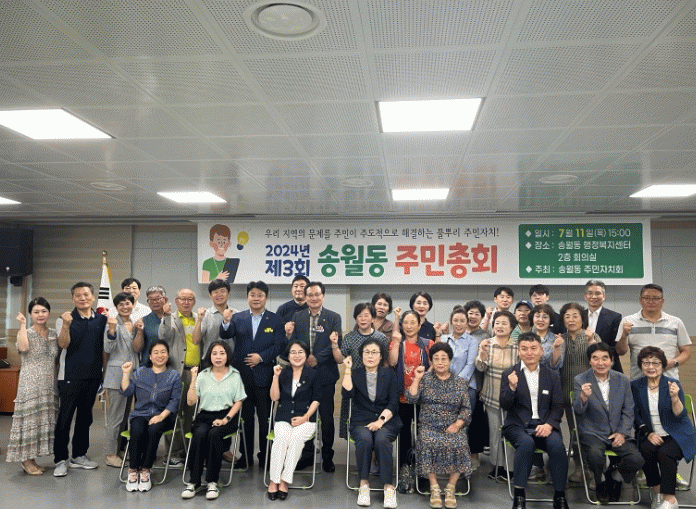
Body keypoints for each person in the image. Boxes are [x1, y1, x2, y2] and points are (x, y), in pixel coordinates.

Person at [219, 280, 286, 469]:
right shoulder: (238, 317)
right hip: (242, 378)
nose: (256, 298)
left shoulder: (275, 320)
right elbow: (225, 335)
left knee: (265, 421)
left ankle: (266, 456)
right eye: (252, 295)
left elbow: (280, 345)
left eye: (260, 295)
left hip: (265, 377)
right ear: (247, 297)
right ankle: (245, 457)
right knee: (245, 420)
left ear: (266, 297)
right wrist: (226, 321)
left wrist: (261, 357)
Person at [500, 332, 568, 509]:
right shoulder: (509, 373)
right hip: (517, 425)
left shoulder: (551, 375)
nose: (529, 352)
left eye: (533, 348)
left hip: (545, 425)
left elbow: (558, 405)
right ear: (518, 351)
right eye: (524, 349)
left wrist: (549, 425)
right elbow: (504, 405)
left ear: (541, 350)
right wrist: (511, 388)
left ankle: (560, 496)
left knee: (557, 446)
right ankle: (519, 495)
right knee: (526, 444)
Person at [573, 343, 644, 504]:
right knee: (595, 455)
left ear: (611, 360)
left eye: (605, 358)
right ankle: (600, 482)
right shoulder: (580, 380)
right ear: (590, 361)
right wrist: (583, 397)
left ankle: (616, 476)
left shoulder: (623, 380)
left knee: (636, 459)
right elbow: (578, 411)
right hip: (592, 432)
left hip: (617, 431)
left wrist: (622, 432)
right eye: (595, 358)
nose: (600, 363)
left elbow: (628, 409)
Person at [407, 343, 472, 509]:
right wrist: (417, 378)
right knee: (426, 441)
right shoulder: (425, 379)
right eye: (436, 359)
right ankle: (434, 487)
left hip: (452, 425)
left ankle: (450, 488)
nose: (440, 362)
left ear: (450, 360)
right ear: (431, 361)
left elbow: (466, 409)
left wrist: (457, 424)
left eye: (444, 358)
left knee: (460, 442)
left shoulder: (459, 382)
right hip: (429, 426)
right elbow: (411, 399)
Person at [287, 281, 342, 472]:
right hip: (304, 376)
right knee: (306, 417)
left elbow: (336, 343)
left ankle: (327, 457)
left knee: (326, 418)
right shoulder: (298, 316)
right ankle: (307, 455)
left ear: (323, 296)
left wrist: (316, 358)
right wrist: (302, 357)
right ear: (305, 297)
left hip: (325, 375)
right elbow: (294, 343)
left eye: (317, 294)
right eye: (310, 295)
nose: (313, 298)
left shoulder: (333, 317)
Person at [53, 282, 107, 477]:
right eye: (78, 295)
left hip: (92, 377)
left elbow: (104, 348)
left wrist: (103, 375)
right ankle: (60, 459)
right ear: (73, 299)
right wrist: (66, 325)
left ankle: (79, 455)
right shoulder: (64, 319)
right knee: (65, 419)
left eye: (86, 294)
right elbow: (63, 344)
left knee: (85, 418)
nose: (82, 298)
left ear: (92, 297)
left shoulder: (101, 319)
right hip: (69, 377)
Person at [632, 346, 696, 509]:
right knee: (645, 450)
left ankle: (670, 499)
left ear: (663, 365)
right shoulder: (636, 386)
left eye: (656, 363)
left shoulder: (673, 384)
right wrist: (648, 433)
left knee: (665, 452)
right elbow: (635, 414)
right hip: (650, 432)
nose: (651, 367)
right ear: (640, 365)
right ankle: (657, 491)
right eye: (646, 363)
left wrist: (675, 398)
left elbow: (680, 415)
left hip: (676, 433)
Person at [182, 341, 246, 500]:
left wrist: (226, 419)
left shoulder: (235, 375)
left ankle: (212, 481)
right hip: (205, 415)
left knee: (214, 435)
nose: (218, 357)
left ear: (227, 356)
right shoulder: (203, 375)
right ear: (209, 356)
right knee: (199, 434)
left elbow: (238, 401)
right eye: (214, 353)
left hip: (227, 415)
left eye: (222, 353)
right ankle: (194, 481)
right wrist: (193, 379)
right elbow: (190, 402)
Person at [343, 339, 402, 509]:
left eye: (374, 352)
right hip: (361, 420)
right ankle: (364, 484)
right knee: (364, 438)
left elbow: (393, 403)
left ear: (381, 355)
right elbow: (347, 394)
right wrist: (347, 370)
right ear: (361, 356)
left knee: (382, 439)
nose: (370, 356)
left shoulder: (389, 374)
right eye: (366, 352)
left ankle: (388, 487)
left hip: (386, 420)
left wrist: (380, 421)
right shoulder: (355, 373)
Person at [119, 340, 182, 492]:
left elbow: (174, 401)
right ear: (150, 356)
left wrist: (161, 416)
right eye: (156, 352)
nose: (160, 355)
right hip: (141, 414)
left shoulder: (174, 375)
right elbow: (126, 392)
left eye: (163, 352)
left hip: (164, 416)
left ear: (168, 355)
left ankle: (146, 469)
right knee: (137, 429)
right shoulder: (140, 372)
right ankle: (133, 470)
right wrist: (126, 374)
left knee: (153, 430)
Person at [6, 298, 58, 475]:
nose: (40, 315)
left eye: (43, 311)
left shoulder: (53, 333)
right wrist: (22, 325)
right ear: (30, 314)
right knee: (29, 421)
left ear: (48, 312)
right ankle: (25, 460)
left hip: (49, 382)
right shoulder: (26, 332)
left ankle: (32, 458)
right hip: (30, 382)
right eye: (36, 312)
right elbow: (23, 348)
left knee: (40, 421)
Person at [267, 340, 321, 500]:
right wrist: (275, 377)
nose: (297, 356)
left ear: (306, 355)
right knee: (281, 439)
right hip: (283, 417)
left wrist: (305, 417)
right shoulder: (283, 373)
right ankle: (274, 480)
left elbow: (316, 399)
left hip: (306, 419)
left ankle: (284, 480)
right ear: (288, 356)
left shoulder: (314, 374)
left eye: (300, 352)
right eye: (293, 352)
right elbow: (274, 398)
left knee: (296, 439)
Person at [554, 302, 599, 483]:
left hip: (588, 393)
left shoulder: (591, 335)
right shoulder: (560, 338)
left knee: (589, 432)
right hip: (566, 392)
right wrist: (556, 347)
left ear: (582, 318)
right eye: (567, 316)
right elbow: (554, 364)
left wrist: (591, 341)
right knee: (574, 432)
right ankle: (580, 468)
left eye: (575, 316)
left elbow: (601, 361)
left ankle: (594, 469)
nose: (571, 320)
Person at [616, 284, 691, 381]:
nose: (651, 301)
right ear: (640, 300)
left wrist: (672, 363)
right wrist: (624, 336)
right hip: (638, 380)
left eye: (655, 298)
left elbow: (686, 351)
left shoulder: (676, 322)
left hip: (669, 381)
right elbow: (620, 351)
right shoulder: (628, 321)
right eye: (647, 298)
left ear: (662, 301)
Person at [475, 310, 518, 481]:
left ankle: (510, 467)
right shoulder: (487, 344)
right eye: (497, 323)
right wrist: (483, 352)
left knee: (510, 432)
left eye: (504, 323)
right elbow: (480, 368)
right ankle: (497, 466)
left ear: (511, 327)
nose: (500, 326)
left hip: (512, 397)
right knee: (494, 433)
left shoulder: (517, 346)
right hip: (492, 396)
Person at [337, 303, 388, 440]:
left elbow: (385, 361)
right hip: (354, 384)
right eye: (360, 316)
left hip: (376, 383)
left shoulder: (381, 337)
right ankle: (360, 442)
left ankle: (374, 446)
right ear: (356, 318)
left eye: (366, 315)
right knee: (354, 417)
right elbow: (341, 358)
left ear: (373, 318)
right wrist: (334, 346)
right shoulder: (349, 337)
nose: (363, 319)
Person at [103, 292, 143, 468]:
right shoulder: (112, 323)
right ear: (116, 307)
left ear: (133, 305)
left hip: (133, 373)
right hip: (117, 374)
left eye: (128, 303)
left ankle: (118, 450)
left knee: (125, 416)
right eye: (121, 304)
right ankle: (110, 454)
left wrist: (139, 330)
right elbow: (107, 348)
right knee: (115, 417)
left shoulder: (135, 324)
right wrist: (111, 330)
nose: (125, 307)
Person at [389, 310, 433, 468]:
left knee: (424, 433)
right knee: (404, 432)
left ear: (419, 325)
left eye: (413, 322)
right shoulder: (397, 342)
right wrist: (395, 343)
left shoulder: (428, 344)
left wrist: (424, 376)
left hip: (423, 397)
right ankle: (405, 467)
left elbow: (434, 365)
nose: (409, 326)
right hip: (402, 396)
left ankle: (423, 467)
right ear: (401, 325)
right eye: (406, 323)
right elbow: (392, 362)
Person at [159, 288, 198, 465]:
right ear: (176, 301)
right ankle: (172, 454)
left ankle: (188, 451)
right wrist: (166, 316)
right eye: (183, 299)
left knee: (192, 415)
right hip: (176, 372)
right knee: (173, 413)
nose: (186, 302)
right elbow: (163, 336)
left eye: (190, 299)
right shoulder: (171, 318)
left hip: (196, 372)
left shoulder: (198, 318)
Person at [440, 307, 478, 469]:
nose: (459, 324)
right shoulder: (444, 339)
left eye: (462, 321)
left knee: (462, 425)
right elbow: (439, 362)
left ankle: (461, 461)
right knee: (446, 423)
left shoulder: (472, 341)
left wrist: (455, 384)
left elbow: (470, 365)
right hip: (444, 387)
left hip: (467, 388)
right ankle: (446, 459)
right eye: (455, 320)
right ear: (451, 322)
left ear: (467, 323)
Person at [193, 279, 240, 359]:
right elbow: (195, 341)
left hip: (232, 361)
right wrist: (199, 320)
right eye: (215, 292)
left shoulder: (237, 314)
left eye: (222, 291)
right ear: (210, 295)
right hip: (210, 361)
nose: (219, 295)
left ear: (228, 293)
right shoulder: (205, 315)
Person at [584, 280, 623, 373]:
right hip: (584, 366)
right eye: (590, 293)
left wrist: (596, 346)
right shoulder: (579, 317)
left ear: (604, 296)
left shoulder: (615, 317)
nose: (594, 297)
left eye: (598, 293)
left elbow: (615, 347)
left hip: (608, 367)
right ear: (585, 296)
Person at [135, 285, 168, 365]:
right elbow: (137, 349)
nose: (154, 302)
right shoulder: (143, 321)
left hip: (170, 365)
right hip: (149, 365)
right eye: (151, 299)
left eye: (157, 299)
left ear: (165, 299)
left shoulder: (173, 319)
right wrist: (139, 332)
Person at [530, 303, 563, 370]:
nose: (540, 320)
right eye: (537, 316)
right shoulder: (525, 338)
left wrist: (556, 348)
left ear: (550, 320)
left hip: (549, 375)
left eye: (545, 317)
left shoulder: (556, 339)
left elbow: (557, 366)